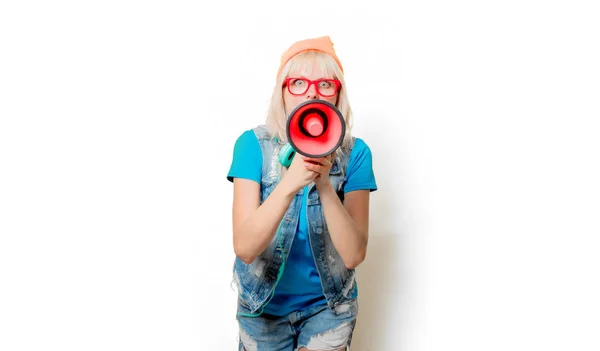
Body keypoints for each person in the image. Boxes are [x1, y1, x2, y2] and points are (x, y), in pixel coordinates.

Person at [226, 35, 377, 351]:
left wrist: (323, 182)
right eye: (298, 82)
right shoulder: (253, 146)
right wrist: (289, 183)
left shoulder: (356, 153)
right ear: (282, 91)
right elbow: (245, 247)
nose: (311, 92)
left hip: (329, 305)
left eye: (325, 84)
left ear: (337, 95)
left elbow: (353, 254)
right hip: (262, 306)